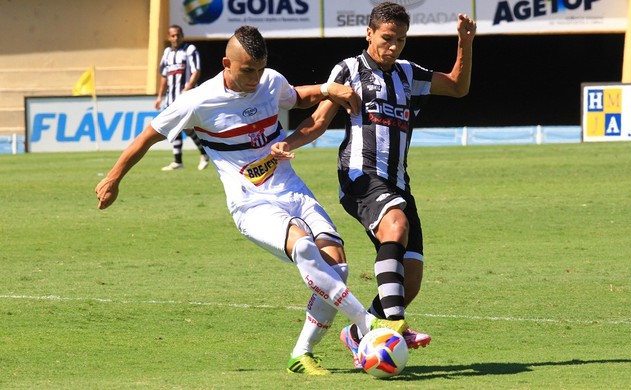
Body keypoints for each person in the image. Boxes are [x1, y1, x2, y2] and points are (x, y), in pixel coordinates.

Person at [95, 25, 409, 375]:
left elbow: (295, 96)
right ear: (226, 62)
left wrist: (326, 89)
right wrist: (112, 178)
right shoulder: (198, 101)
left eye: (260, 70)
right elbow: (146, 137)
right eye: (247, 71)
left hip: (292, 189)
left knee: (337, 265)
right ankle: (368, 324)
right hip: (250, 202)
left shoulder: (269, 80)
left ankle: (301, 354)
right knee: (304, 248)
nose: (256, 79)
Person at [271, 2, 476, 368]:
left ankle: (358, 334)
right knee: (395, 223)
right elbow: (318, 122)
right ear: (369, 34)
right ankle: (395, 325)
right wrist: (287, 142)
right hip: (359, 176)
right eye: (386, 38)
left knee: (409, 281)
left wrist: (465, 43)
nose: (393, 46)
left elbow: (458, 88)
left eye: (400, 39)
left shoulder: (408, 74)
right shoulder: (348, 70)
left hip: (398, 183)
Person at [155, 24, 210, 171]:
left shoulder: (189, 50)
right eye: (172, 35)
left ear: (182, 35)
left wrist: (187, 88)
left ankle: (204, 153)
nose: (175, 38)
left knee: (188, 128)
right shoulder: (167, 53)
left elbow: (196, 71)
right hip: (171, 98)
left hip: (186, 97)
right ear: (169, 37)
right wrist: (160, 96)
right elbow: (164, 76)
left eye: (178, 35)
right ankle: (179, 161)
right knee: (176, 128)